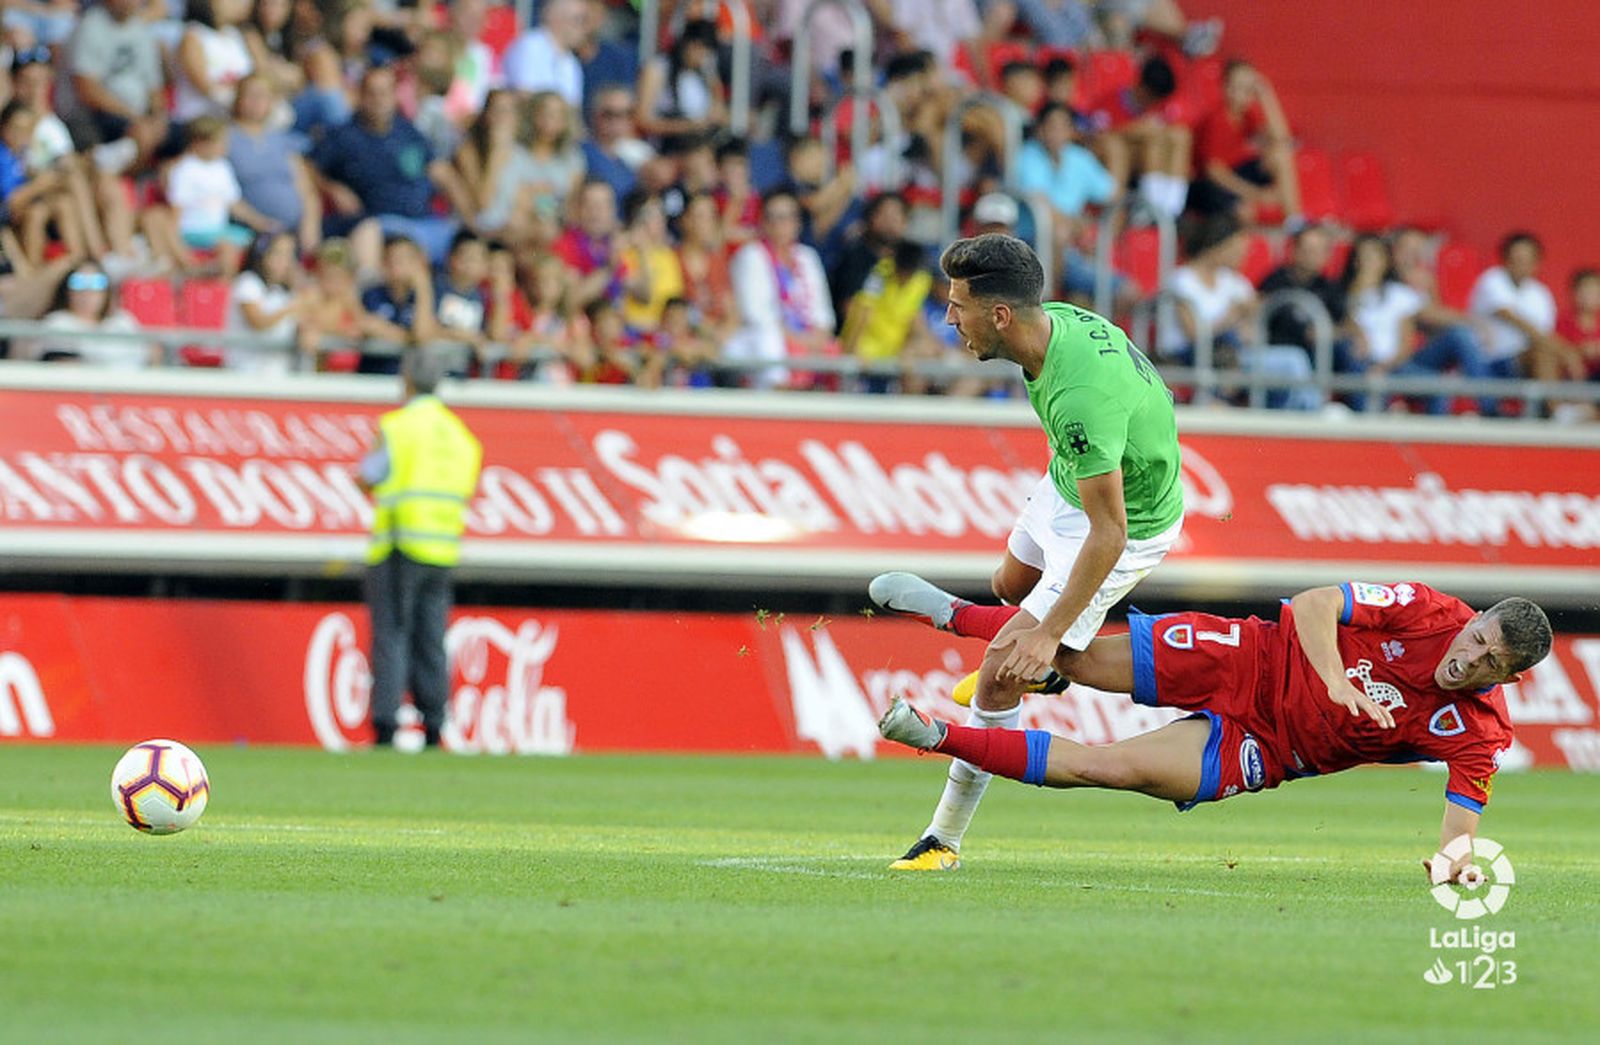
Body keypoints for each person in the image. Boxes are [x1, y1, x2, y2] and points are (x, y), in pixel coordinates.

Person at [867, 233, 1184, 871]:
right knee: (1010, 584)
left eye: (958, 306)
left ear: (1001, 314)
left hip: (1126, 519)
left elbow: (1111, 533)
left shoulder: (1080, 400)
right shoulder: (1052, 324)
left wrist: (1049, 633)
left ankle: (943, 840)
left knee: (1005, 667)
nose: (949, 318)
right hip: (1074, 480)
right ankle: (1003, 636)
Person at [878, 582, 1552, 881]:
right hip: (1248, 653)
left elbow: (1461, 826)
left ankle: (934, 734)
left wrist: (1453, 868)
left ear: (1512, 675)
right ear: (1474, 617)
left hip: (1266, 747)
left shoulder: (1480, 731)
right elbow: (1318, 603)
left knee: (1106, 768)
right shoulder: (1429, 609)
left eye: (1491, 659)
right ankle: (956, 614)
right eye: (1477, 635)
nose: (1469, 654)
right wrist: (1337, 678)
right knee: (1073, 655)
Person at [357, 349, 483, 749]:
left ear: (407, 379)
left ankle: (386, 725)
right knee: (432, 637)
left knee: (392, 633)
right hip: (443, 550)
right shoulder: (462, 436)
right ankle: (434, 725)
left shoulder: (398, 426)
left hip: (401, 542)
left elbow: (370, 475)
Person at [311, 65, 474, 267]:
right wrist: (333, 188)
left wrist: (471, 223)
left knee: (472, 250)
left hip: (425, 222)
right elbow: (309, 167)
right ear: (361, 95)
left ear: (394, 95)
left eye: (385, 92)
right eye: (372, 93)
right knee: (375, 238)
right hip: (380, 225)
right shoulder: (344, 135)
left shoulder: (408, 132)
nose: (379, 100)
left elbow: (439, 171)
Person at [1338, 234, 1490, 415]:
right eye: (1361, 258)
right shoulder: (1341, 293)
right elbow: (1345, 325)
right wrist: (1360, 287)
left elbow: (1408, 338)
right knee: (1357, 362)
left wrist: (1385, 367)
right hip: (1361, 364)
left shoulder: (1398, 293)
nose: (1366, 263)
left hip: (1395, 364)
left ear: (1385, 261)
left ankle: (1481, 412)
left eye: (1372, 257)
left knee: (1439, 385)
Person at [725, 188, 836, 389]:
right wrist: (800, 342)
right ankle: (777, 402)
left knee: (835, 351)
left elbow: (822, 312)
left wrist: (815, 340)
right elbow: (757, 315)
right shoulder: (751, 256)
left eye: (787, 217)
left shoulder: (807, 257)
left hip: (807, 340)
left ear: (798, 223)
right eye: (774, 218)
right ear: (763, 222)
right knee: (768, 340)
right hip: (762, 341)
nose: (781, 225)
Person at [1191, 59, 1302, 225]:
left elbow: (1282, 139)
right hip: (1210, 188)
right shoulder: (1217, 120)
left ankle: (1294, 221)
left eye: (1249, 88)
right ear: (1226, 88)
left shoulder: (1248, 117)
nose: (1246, 93)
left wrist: (1267, 96)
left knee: (1280, 155)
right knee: (1245, 211)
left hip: (1237, 176)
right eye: (1240, 86)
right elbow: (1215, 173)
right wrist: (1255, 194)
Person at [1467, 232, 1562, 395]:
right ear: (1505, 259)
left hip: (1523, 364)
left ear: (1537, 263)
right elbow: (1510, 317)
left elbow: (1544, 335)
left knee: (1548, 354)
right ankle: (1557, 412)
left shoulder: (1541, 293)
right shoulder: (1492, 279)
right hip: (1489, 362)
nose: (1521, 264)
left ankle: (1565, 409)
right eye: (1516, 258)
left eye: (1527, 260)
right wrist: (1565, 350)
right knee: (1543, 353)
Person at [503, 0, 586, 108]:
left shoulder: (572, 62)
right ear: (557, 18)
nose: (584, 29)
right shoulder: (530, 46)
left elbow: (573, 108)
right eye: (578, 20)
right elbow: (523, 95)